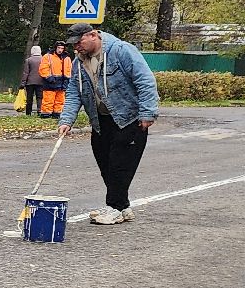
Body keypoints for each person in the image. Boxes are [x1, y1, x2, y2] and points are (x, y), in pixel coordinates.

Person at [58, 22, 159, 225]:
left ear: (93, 35)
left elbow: (145, 80)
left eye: (79, 42)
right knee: (105, 164)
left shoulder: (121, 51)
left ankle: (113, 207)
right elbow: (73, 93)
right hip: (101, 120)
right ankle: (122, 207)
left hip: (129, 118)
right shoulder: (79, 62)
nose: (76, 47)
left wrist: (147, 113)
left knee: (119, 165)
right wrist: (66, 120)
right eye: (73, 44)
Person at [39, 44, 68, 118]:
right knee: (48, 99)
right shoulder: (48, 56)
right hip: (50, 82)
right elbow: (43, 68)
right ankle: (46, 114)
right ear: (55, 48)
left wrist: (67, 80)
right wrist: (49, 78)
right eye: (59, 48)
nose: (60, 50)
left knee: (60, 100)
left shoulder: (66, 58)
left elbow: (69, 70)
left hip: (61, 82)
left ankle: (57, 113)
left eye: (62, 48)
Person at [20, 44, 44, 117]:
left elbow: (26, 72)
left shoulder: (28, 60)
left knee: (29, 98)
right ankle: (39, 110)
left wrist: (23, 83)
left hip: (30, 82)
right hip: (41, 81)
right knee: (39, 97)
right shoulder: (43, 59)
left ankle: (28, 112)